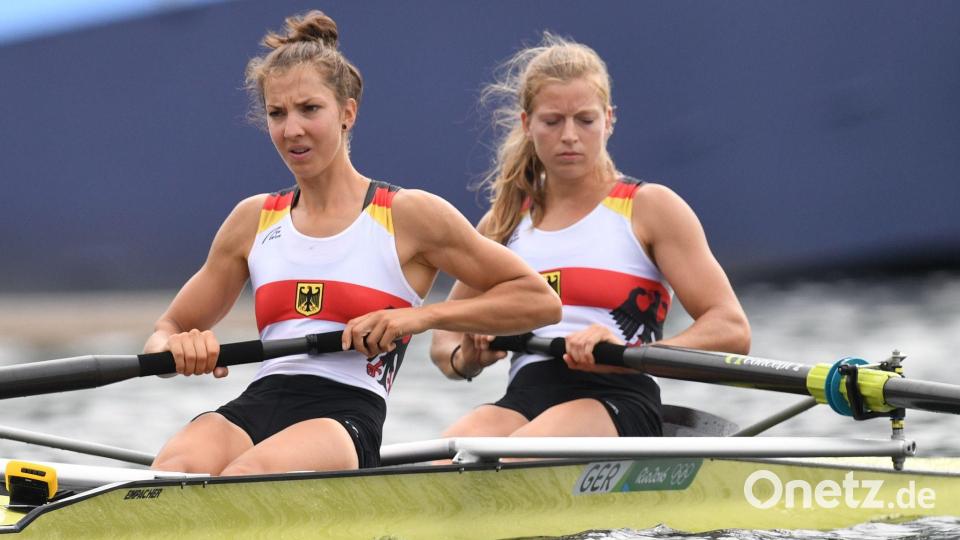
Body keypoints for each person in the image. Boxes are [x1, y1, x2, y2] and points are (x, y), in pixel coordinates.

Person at [145, 11, 561, 476]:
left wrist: (419, 317)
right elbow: (169, 327)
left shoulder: (408, 215)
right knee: (170, 473)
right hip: (258, 400)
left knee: (246, 477)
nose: (292, 129)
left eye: (309, 109)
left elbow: (539, 301)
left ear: (347, 112)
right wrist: (177, 348)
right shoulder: (252, 219)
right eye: (277, 114)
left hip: (344, 418)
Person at [430, 34, 750, 440]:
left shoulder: (649, 208)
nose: (569, 136)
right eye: (552, 121)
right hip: (526, 395)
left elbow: (732, 330)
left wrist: (628, 354)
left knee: (512, 457)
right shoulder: (504, 221)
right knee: (438, 461)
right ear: (528, 125)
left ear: (609, 120)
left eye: (585, 120)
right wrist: (468, 358)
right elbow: (444, 340)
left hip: (618, 394)